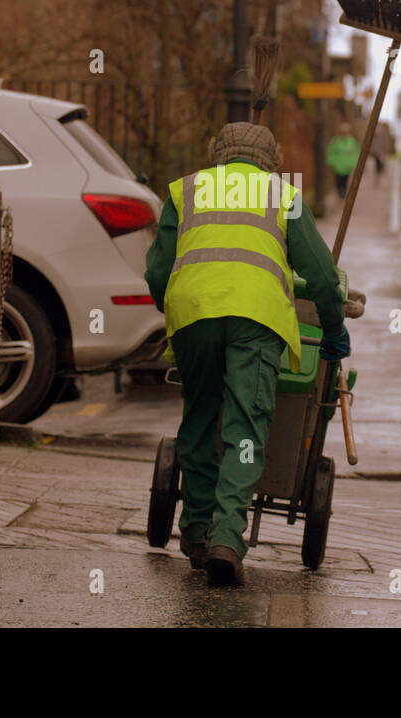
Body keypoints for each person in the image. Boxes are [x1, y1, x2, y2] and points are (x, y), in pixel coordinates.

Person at [144, 122, 349, 587]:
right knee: (246, 423)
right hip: (256, 319)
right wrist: (334, 329)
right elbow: (320, 275)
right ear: (272, 160)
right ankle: (227, 539)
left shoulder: (186, 190)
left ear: (216, 155)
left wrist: (175, 306)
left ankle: (195, 531)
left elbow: (158, 271)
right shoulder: (284, 194)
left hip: (195, 313)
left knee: (199, 417)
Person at [326, 122, 360, 199]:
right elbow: (330, 152)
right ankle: (339, 192)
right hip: (337, 166)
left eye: (346, 132)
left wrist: (353, 163)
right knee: (338, 182)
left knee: (345, 182)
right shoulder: (336, 141)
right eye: (343, 132)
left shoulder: (352, 141)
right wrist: (332, 162)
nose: (345, 134)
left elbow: (356, 153)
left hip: (347, 167)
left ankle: (343, 194)